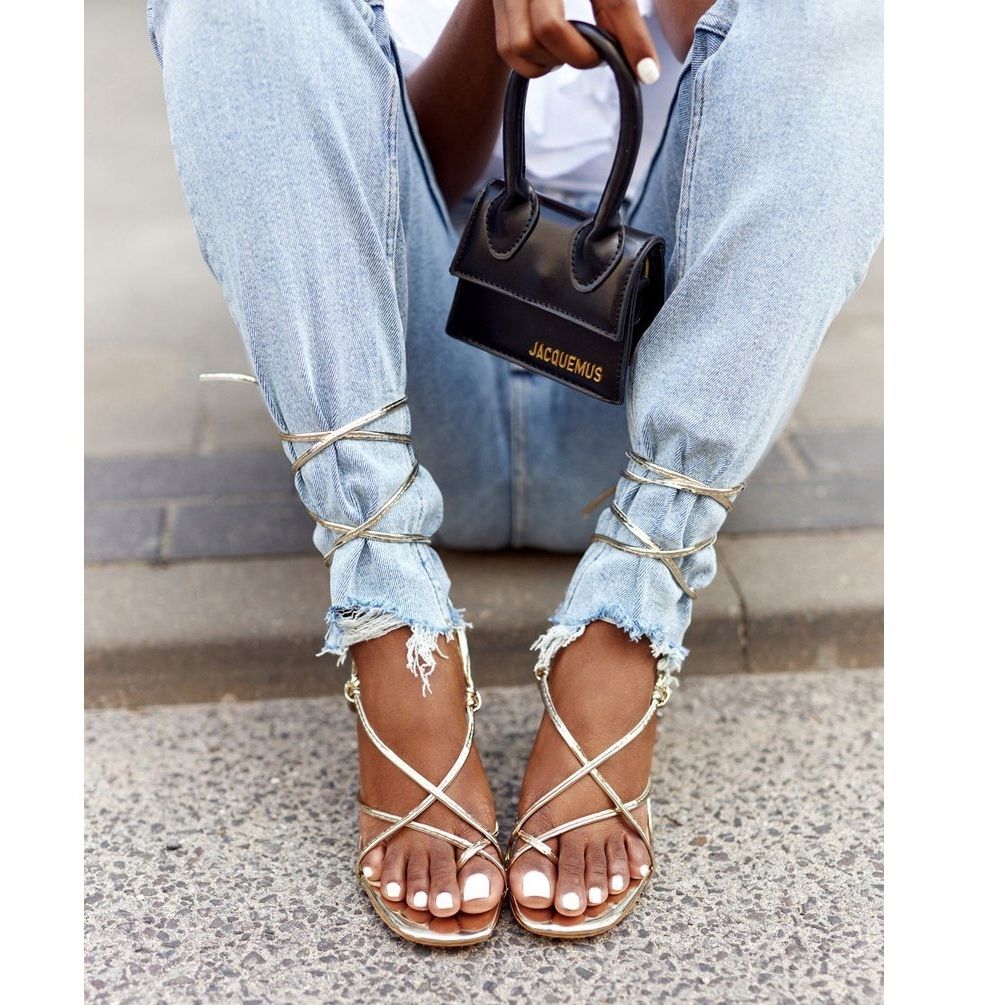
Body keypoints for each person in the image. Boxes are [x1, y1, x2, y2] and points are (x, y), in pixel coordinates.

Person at [146, 0, 882, 944]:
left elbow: (775, 86)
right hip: (404, 380)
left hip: (645, 396)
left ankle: (629, 613)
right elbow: (356, 177)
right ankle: (389, 614)